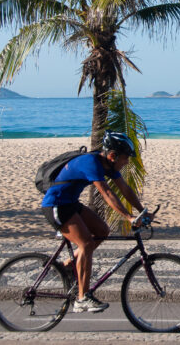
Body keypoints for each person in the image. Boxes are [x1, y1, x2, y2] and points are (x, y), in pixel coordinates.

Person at [41, 131, 150, 313]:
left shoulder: (108, 164)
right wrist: (129, 217)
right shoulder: (91, 163)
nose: (127, 163)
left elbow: (124, 189)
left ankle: (68, 265)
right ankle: (82, 298)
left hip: (71, 204)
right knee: (86, 244)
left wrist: (142, 211)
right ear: (112, 155)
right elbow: (107, 193)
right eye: (125, 159)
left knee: (102, 231)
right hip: (56, 206)